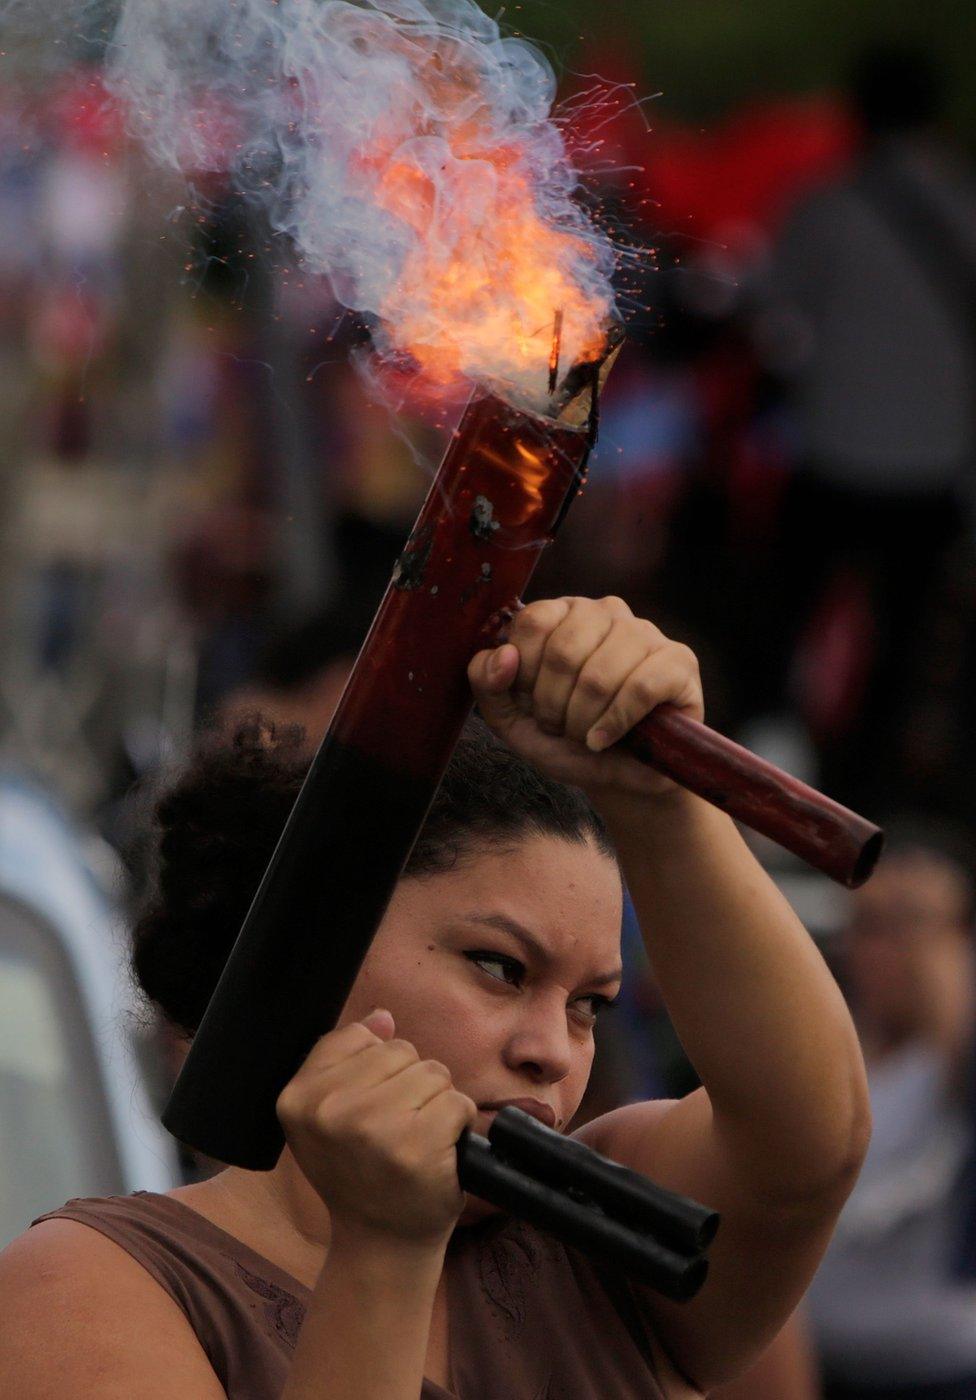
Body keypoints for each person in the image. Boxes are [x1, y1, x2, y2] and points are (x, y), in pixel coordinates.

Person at [0, 595, 871, 1398]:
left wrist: (659, 804)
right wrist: (382, 1249)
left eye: (589, 1006)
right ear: (320, 951)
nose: (553, 1051)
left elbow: (807, 1146)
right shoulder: (88, 1282)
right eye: (500, 967)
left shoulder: (596, 1253)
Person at [755, 44, 976, 815]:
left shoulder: (826, 206)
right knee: (904, 644)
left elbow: (777, 325)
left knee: (789, 615)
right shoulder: (964, 208)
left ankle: (773, 764)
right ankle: (872, 794)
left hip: (835, 452)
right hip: (936, 467)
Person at [806, 829, 976, 1399]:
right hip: (822, 1366)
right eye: (865, 925)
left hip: (939, 1373)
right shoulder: (835, 1052)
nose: (877, 947)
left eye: (904, 925)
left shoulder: (953, 1063)